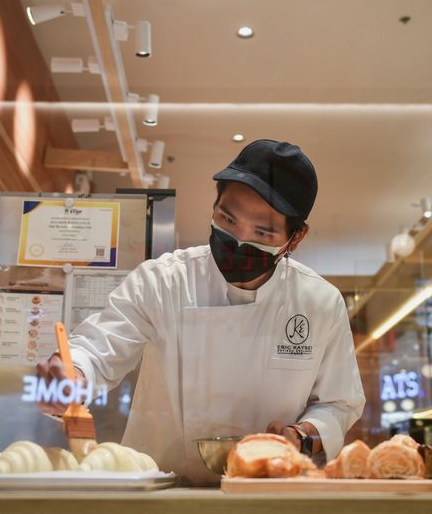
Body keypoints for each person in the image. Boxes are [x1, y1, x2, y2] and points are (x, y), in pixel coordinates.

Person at [37, 139, 365, 483]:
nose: (238, 239)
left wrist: (302, 436)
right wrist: (70, 376)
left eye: (262, 232)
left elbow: (339, 403)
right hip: (161, 491)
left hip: (265, 493)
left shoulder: (319, 302)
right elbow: (97, 349)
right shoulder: (163, 280)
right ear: (214, 204)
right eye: (227, 218)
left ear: (295, 238)